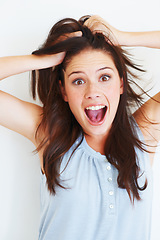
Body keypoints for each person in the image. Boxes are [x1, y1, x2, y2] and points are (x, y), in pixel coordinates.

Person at [0, 15, 160, 240]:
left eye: (105, 77)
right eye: (78, 81)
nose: (92, 91)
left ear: (121, 83)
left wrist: (125, 38)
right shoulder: (50, 133)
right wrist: (44, 60)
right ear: (63, 91)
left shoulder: (144, 133)